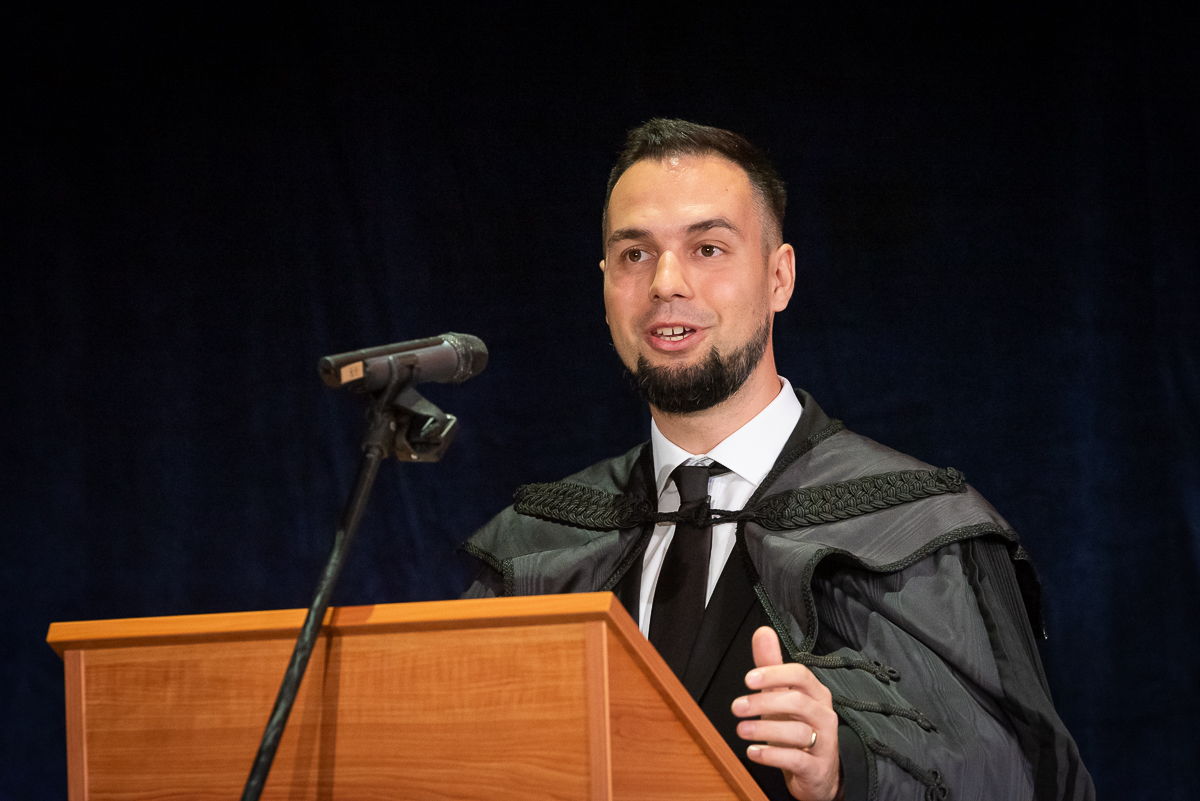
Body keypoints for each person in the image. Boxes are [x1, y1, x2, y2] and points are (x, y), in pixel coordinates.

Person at [461, 119, 1094, 801]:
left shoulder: (918, 529)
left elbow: (1024, 779)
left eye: (708, 248)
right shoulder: (539, 547)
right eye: (635, 254)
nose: (666, 282)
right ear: (607, 286)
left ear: (779, 277)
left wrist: (851, 768)